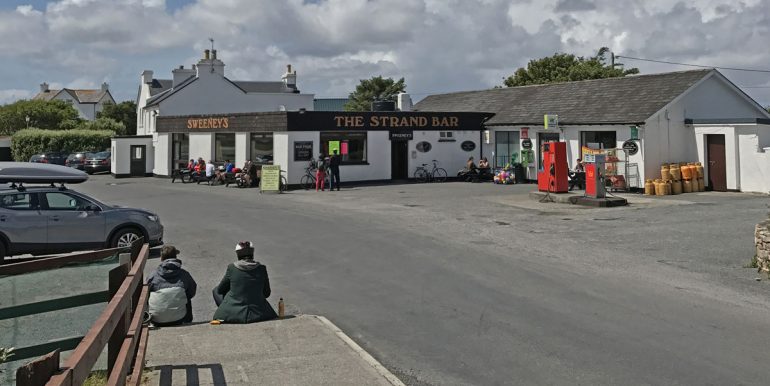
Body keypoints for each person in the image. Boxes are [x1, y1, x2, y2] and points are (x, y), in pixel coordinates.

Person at [212, 241, 278, 324]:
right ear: (252, 253)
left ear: (238, 254)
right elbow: (266, 293)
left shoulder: (232, 268)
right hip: (259, 313)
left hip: (235, 311)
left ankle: (228, 313)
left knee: (215, 290)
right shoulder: (262, 268)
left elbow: (220, 290)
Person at [146, 245, 197, 326]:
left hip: (156, 320)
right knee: (186, 297)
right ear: (175, 256)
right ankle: (187, 322)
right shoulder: (184, 274)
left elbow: (146, 294)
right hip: (179, 319)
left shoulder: (153, 275)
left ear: (161, 258)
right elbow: (192, 292)